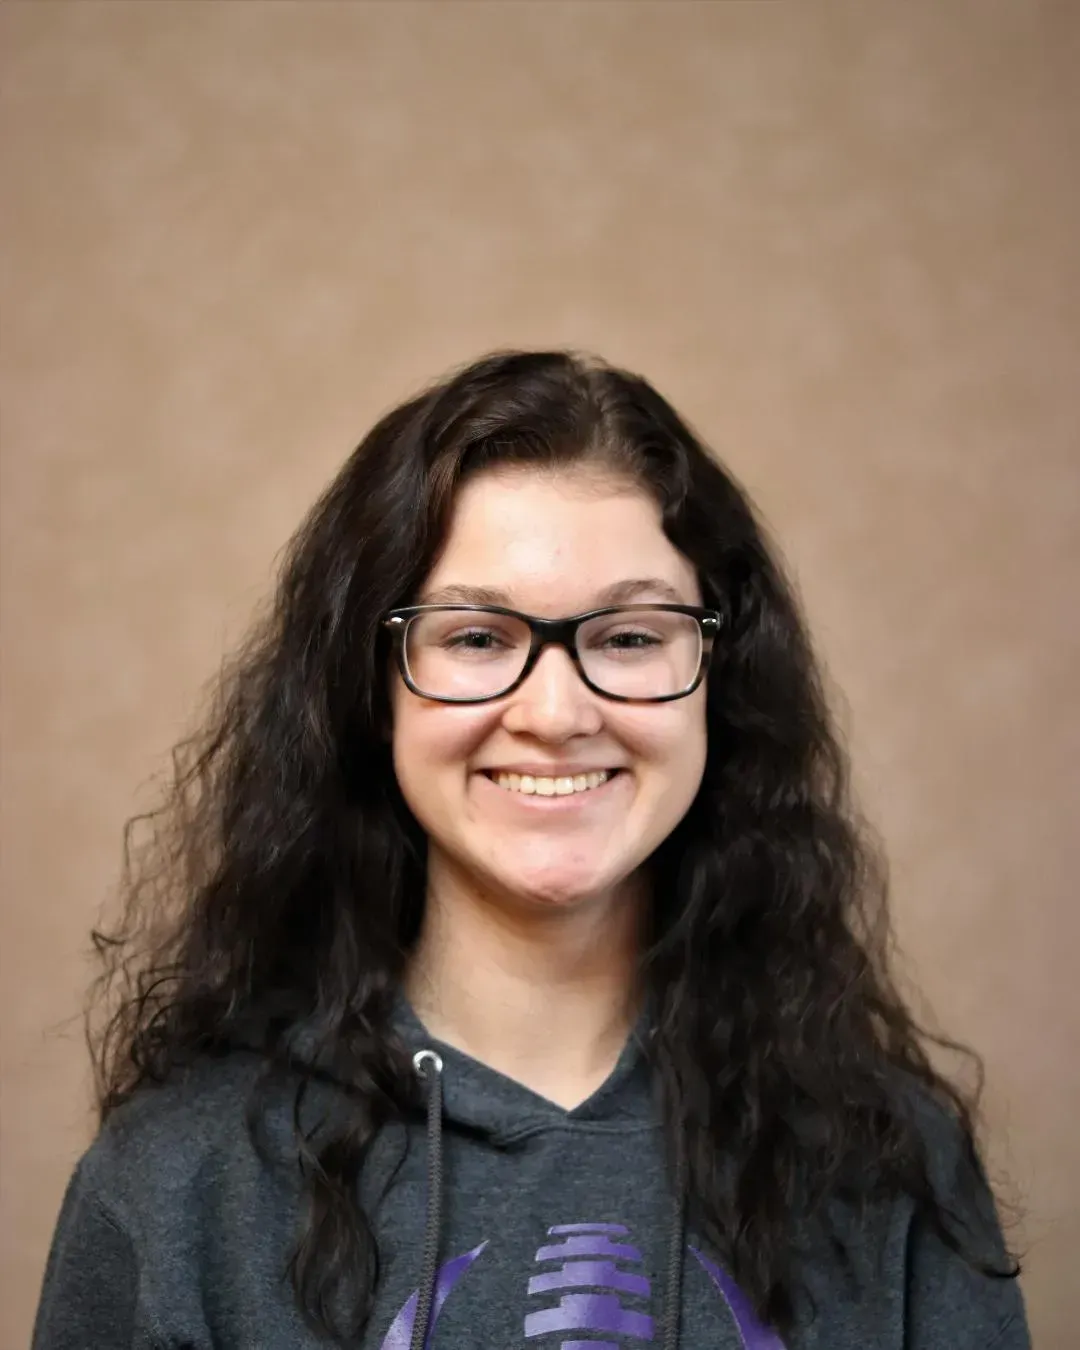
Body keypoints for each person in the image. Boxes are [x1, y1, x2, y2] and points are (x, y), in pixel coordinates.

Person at [32, 350, 1028, 1349]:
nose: (556, 712)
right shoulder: (179, 1183)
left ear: (718, 681)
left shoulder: (889, 1166)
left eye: (632, 637)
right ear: (370, 690)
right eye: (475, 639)